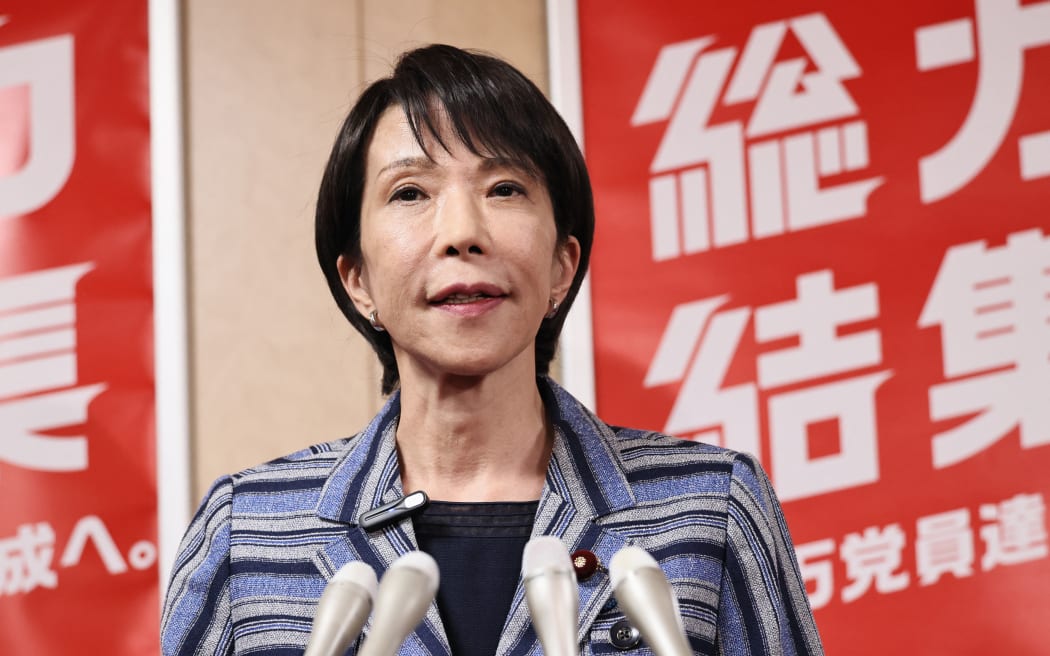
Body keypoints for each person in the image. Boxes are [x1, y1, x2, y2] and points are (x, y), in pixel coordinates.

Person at [161, 44, 824, 656]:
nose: (462, 233)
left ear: (563, 267)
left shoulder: (708, 507)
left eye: (504, 188)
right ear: (357, 280)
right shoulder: (248, 534)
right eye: (410, 193)